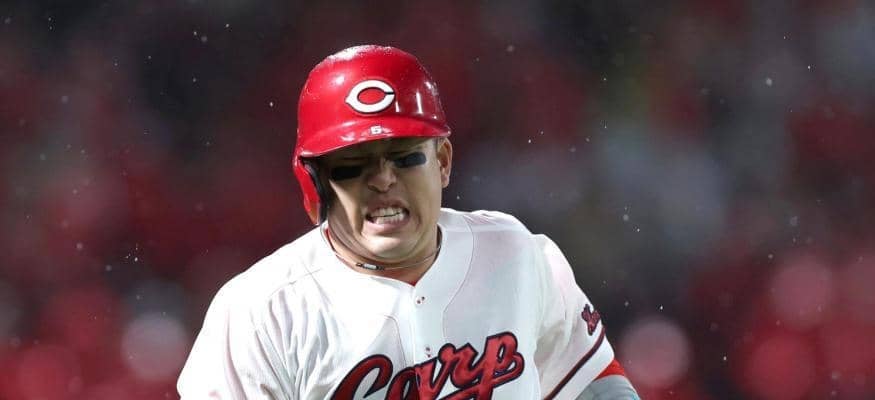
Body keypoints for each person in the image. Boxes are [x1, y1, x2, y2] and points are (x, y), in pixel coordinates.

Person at [177, 45, 639, 400]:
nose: (383, 180)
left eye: (404, 158)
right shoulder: (262, 311)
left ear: (443, 162)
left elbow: (592, 383)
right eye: (353, 165)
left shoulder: (513, 253)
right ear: (315, 183)